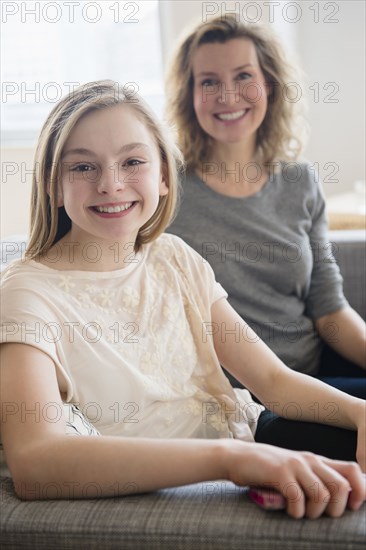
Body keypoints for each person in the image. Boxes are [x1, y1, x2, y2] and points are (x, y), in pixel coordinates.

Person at [0, 81, 365, 520]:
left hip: (251, 436)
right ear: (52, 187)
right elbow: (36, 462)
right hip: (195, 479)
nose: (110, 184)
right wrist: (228, 459)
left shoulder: (174, 258)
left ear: (164, 178)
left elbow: (272, 380)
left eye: (133, 161)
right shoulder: (26, 294)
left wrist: (360, 413)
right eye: (82, 168)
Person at [165, 15, 366, 399]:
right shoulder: (165, 186)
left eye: (243, 76)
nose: (227, 96)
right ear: (188, 95)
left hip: (313, 372)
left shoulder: (300, 181)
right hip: (238, 397)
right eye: (209, 82)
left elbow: (329, 308)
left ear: (269, 85)